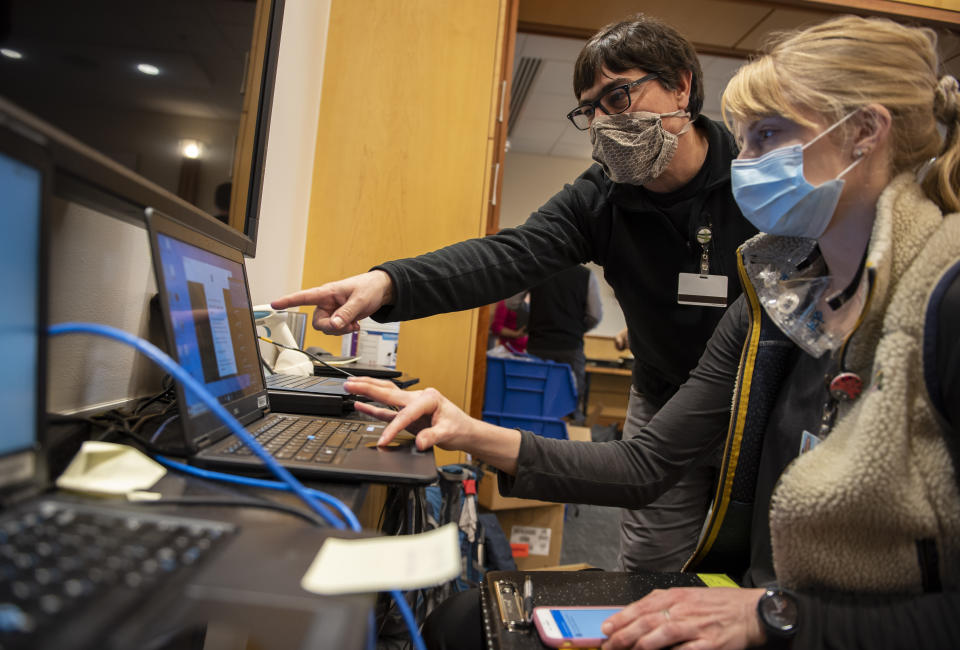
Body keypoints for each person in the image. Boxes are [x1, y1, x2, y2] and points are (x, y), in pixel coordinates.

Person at [342, 15, 960, 649]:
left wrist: (769, 617)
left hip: (801, 584)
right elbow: (644, 462)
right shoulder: (774, 295)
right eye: (591, 111)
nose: (748, 166)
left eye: (767, 137)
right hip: (686, 414)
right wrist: (397, 299)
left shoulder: (928, 298)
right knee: (491, 614)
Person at [272, 15, 757, 572]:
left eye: (618, 96)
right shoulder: (601, 199)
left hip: (759, 395)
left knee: (760, 560)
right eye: (590, 109)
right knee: (651, 564)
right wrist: (386, 283)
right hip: (664, 393)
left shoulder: (755, 177)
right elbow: (508, 256)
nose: (603, 121)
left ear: (680, 86)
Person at [524, 265, 602, 411]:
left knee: (533, 399)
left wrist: (533, 316)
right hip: (570, 347)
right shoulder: (585, 275)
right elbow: (594, 316)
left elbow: (512, 302)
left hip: (538, 344)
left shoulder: (537, 269)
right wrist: (578, 328)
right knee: (570, 402)